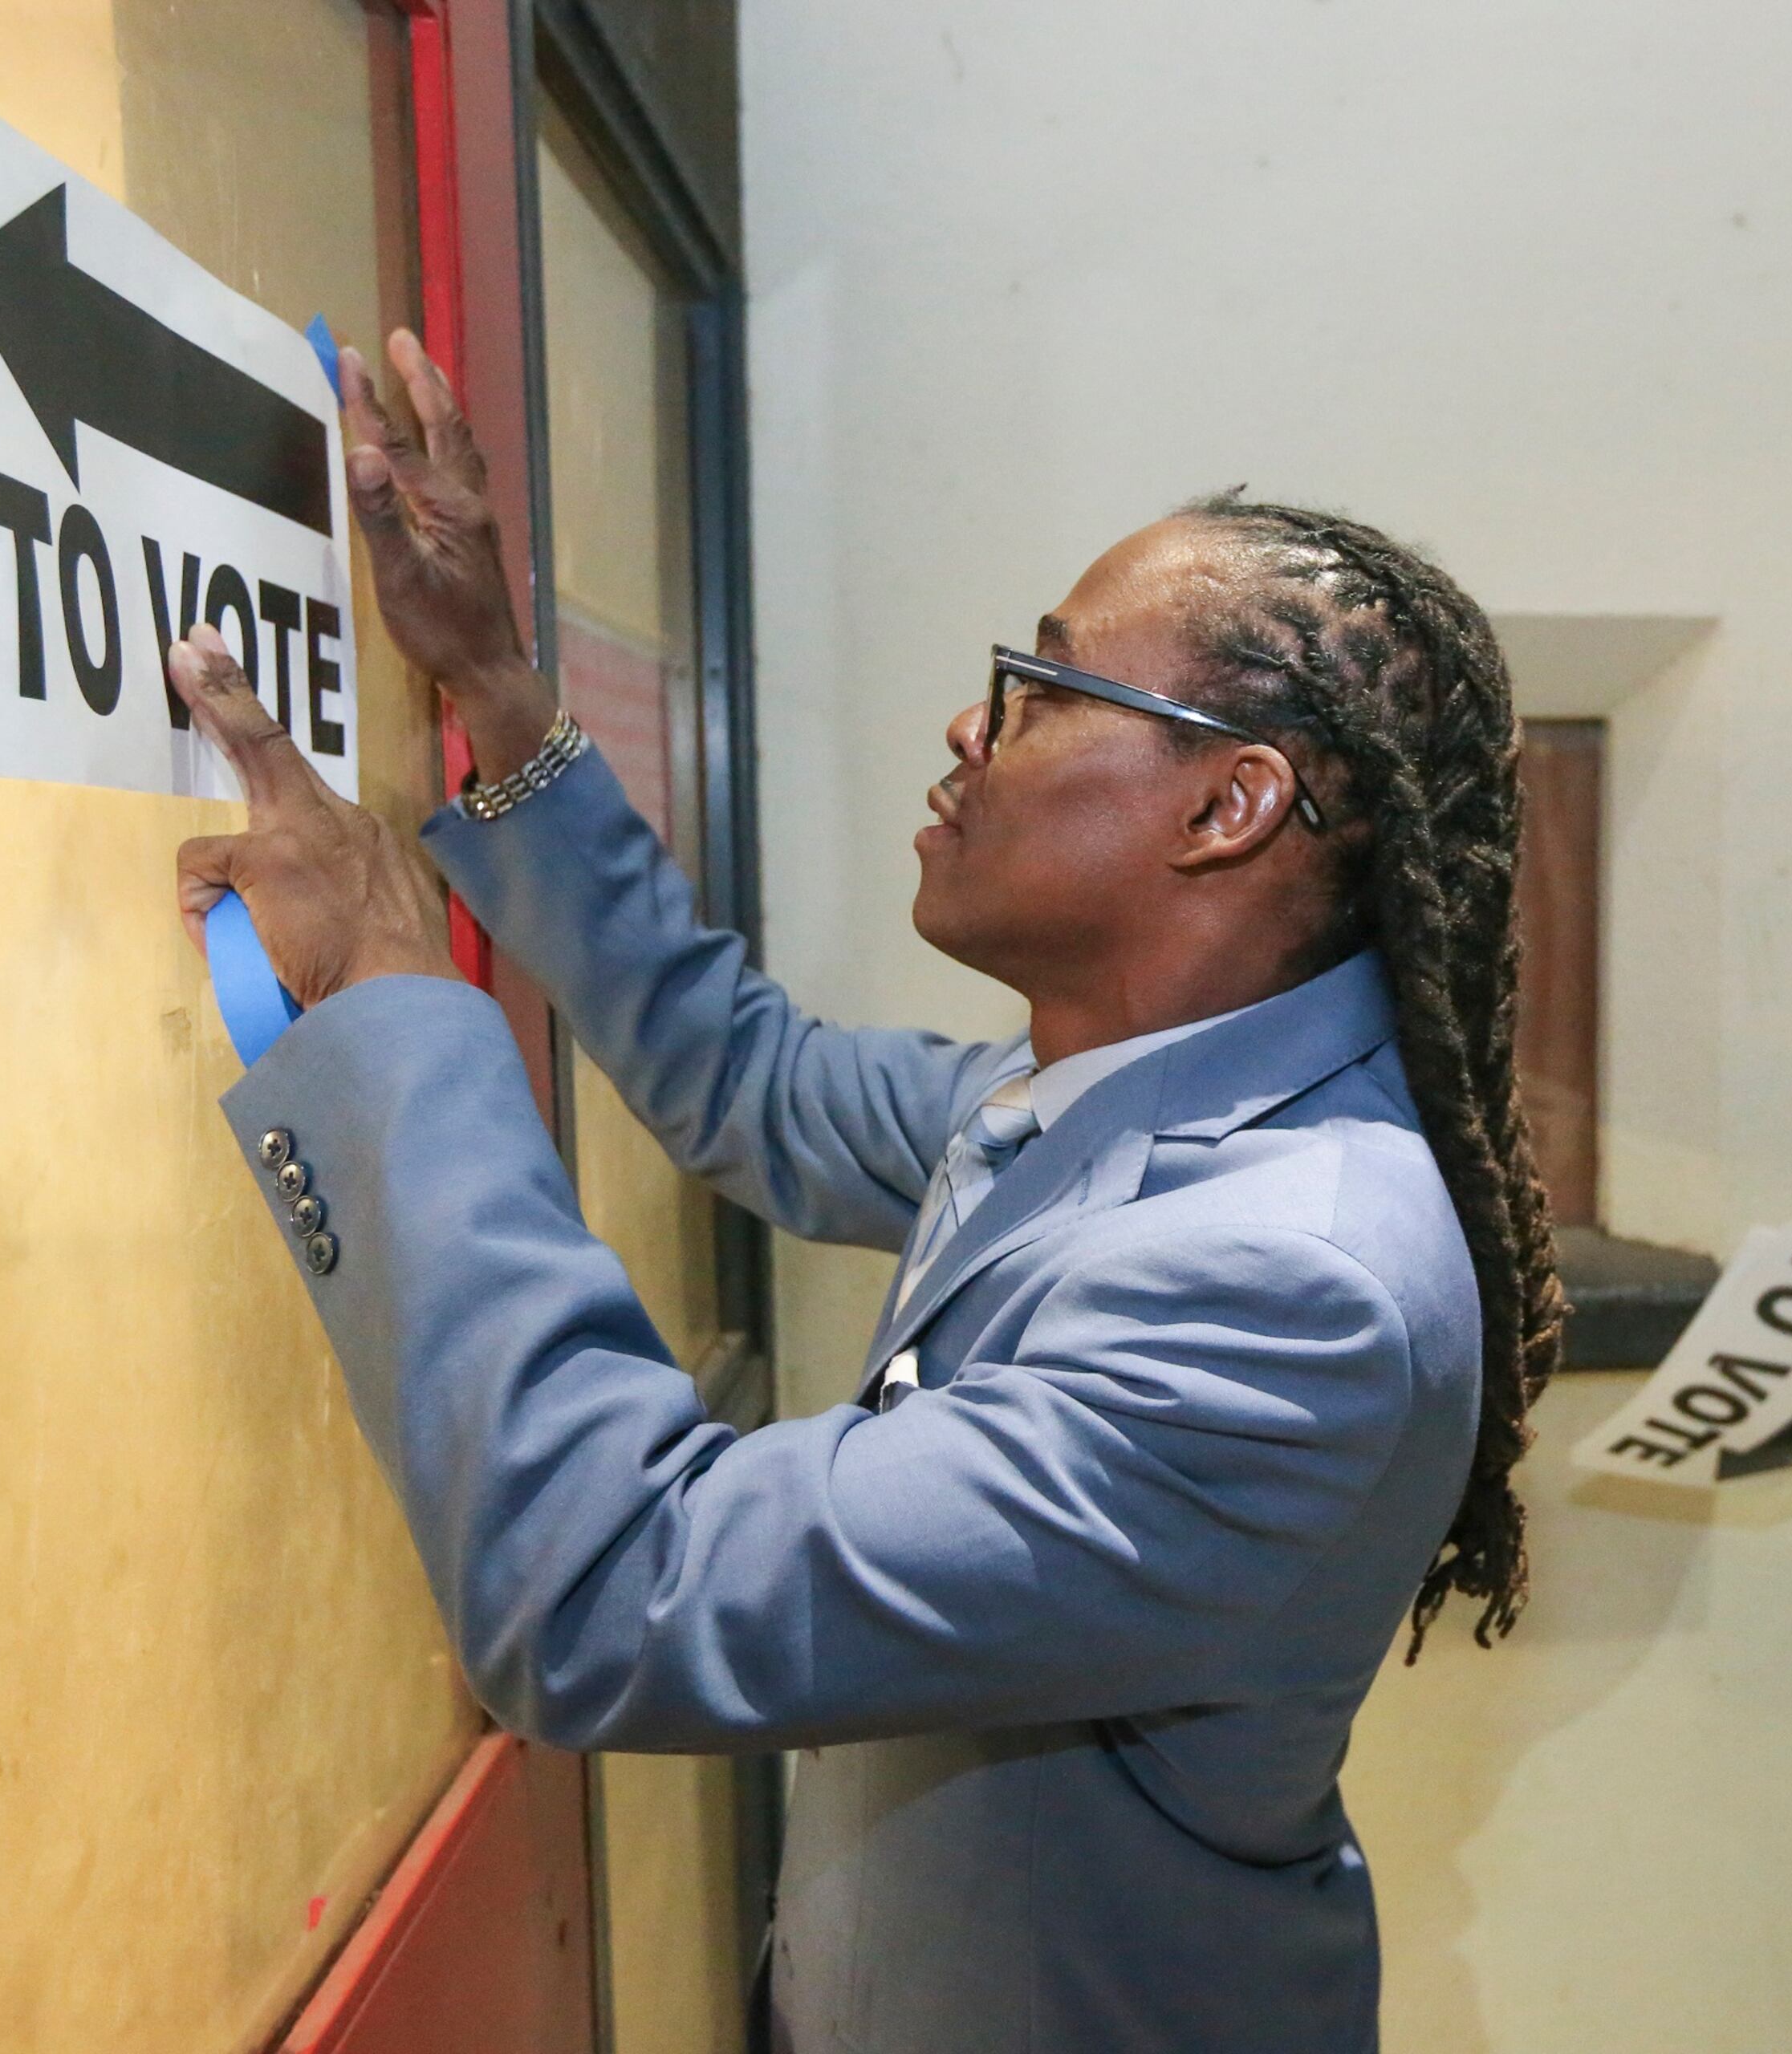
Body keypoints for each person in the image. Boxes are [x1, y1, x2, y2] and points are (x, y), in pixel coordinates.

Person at [164, 328, 1566, 2054]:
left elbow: (612, 1583)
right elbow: (747, 1081)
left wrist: (393, 1000)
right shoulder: (1108, 1101)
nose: (972, 723)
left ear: (1229, 802)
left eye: (1046, 687)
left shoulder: (1289, 1281)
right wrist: (502, 694)